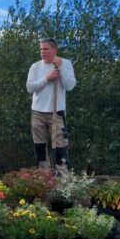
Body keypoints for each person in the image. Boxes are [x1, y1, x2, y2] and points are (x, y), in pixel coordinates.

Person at [26, 37, 76, 173]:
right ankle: (44, 176)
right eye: (41, 49)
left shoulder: (65, 64)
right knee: (40, 146)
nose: (43, 52)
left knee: (60, 146)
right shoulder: (35, 67)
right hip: (37, 112)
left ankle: (62, 177)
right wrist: (47, 78)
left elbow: (70, 86)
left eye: (46, 49)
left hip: (57, 112)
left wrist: (60, 69)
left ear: (54, 49)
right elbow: (30, 88)